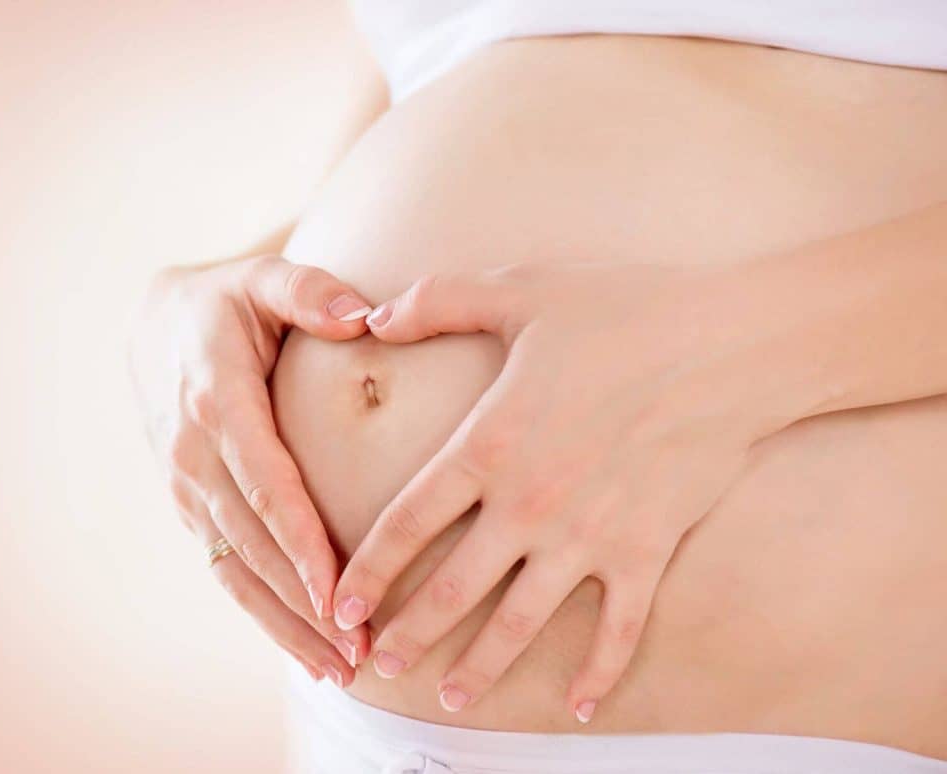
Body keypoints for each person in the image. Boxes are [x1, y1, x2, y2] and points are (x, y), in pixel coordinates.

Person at [129, 2, 947, 771]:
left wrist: (733, 353)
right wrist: (175, 311)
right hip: (352, 721)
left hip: (808, 709)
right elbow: (432, 87)